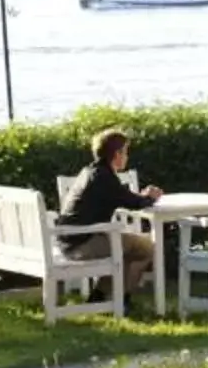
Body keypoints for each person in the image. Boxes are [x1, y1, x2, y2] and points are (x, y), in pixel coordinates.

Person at [58, 127, 164, 302]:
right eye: (125, 152)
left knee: (128, 248)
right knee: (146, 248)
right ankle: (121, 299)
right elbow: (135, 203)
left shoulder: (91, 172)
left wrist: (143, 196)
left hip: (70, 240)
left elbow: (124, 197)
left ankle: (100, 296)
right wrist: (150, 196)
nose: (127, 157)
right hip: (82, 244)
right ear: (117, 154)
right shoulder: (104, 177)